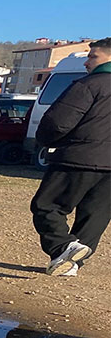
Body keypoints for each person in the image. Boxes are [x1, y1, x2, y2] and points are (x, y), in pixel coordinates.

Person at [30, 37, 111, 276]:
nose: (87, 62)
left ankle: (63, 247)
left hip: (78, 157)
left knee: (46, 206)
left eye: (93, 56)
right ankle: (70, 264)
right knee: (95, 215)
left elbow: (57, 122)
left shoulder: (90, 84)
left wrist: (45, 141)